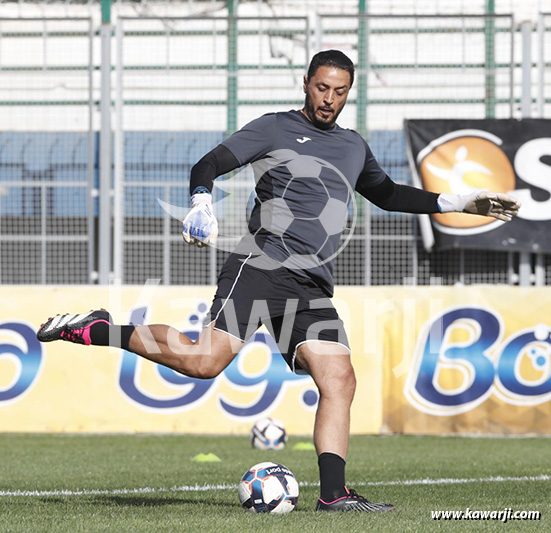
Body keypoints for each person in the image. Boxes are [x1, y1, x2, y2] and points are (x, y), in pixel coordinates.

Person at [37, 50, 520, 512]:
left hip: (312, 283)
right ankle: (97, 329)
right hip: (263, 264)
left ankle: (334, 495)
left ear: (350, 93)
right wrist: (201, 202)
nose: (330, 98)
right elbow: (208, 164)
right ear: (306, 84)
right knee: (202, 363)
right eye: (322, 87)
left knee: (339, 379)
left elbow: (388, 194)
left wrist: (458, 203)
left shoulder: (353, 145)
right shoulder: (275, 127)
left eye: (340, 91)